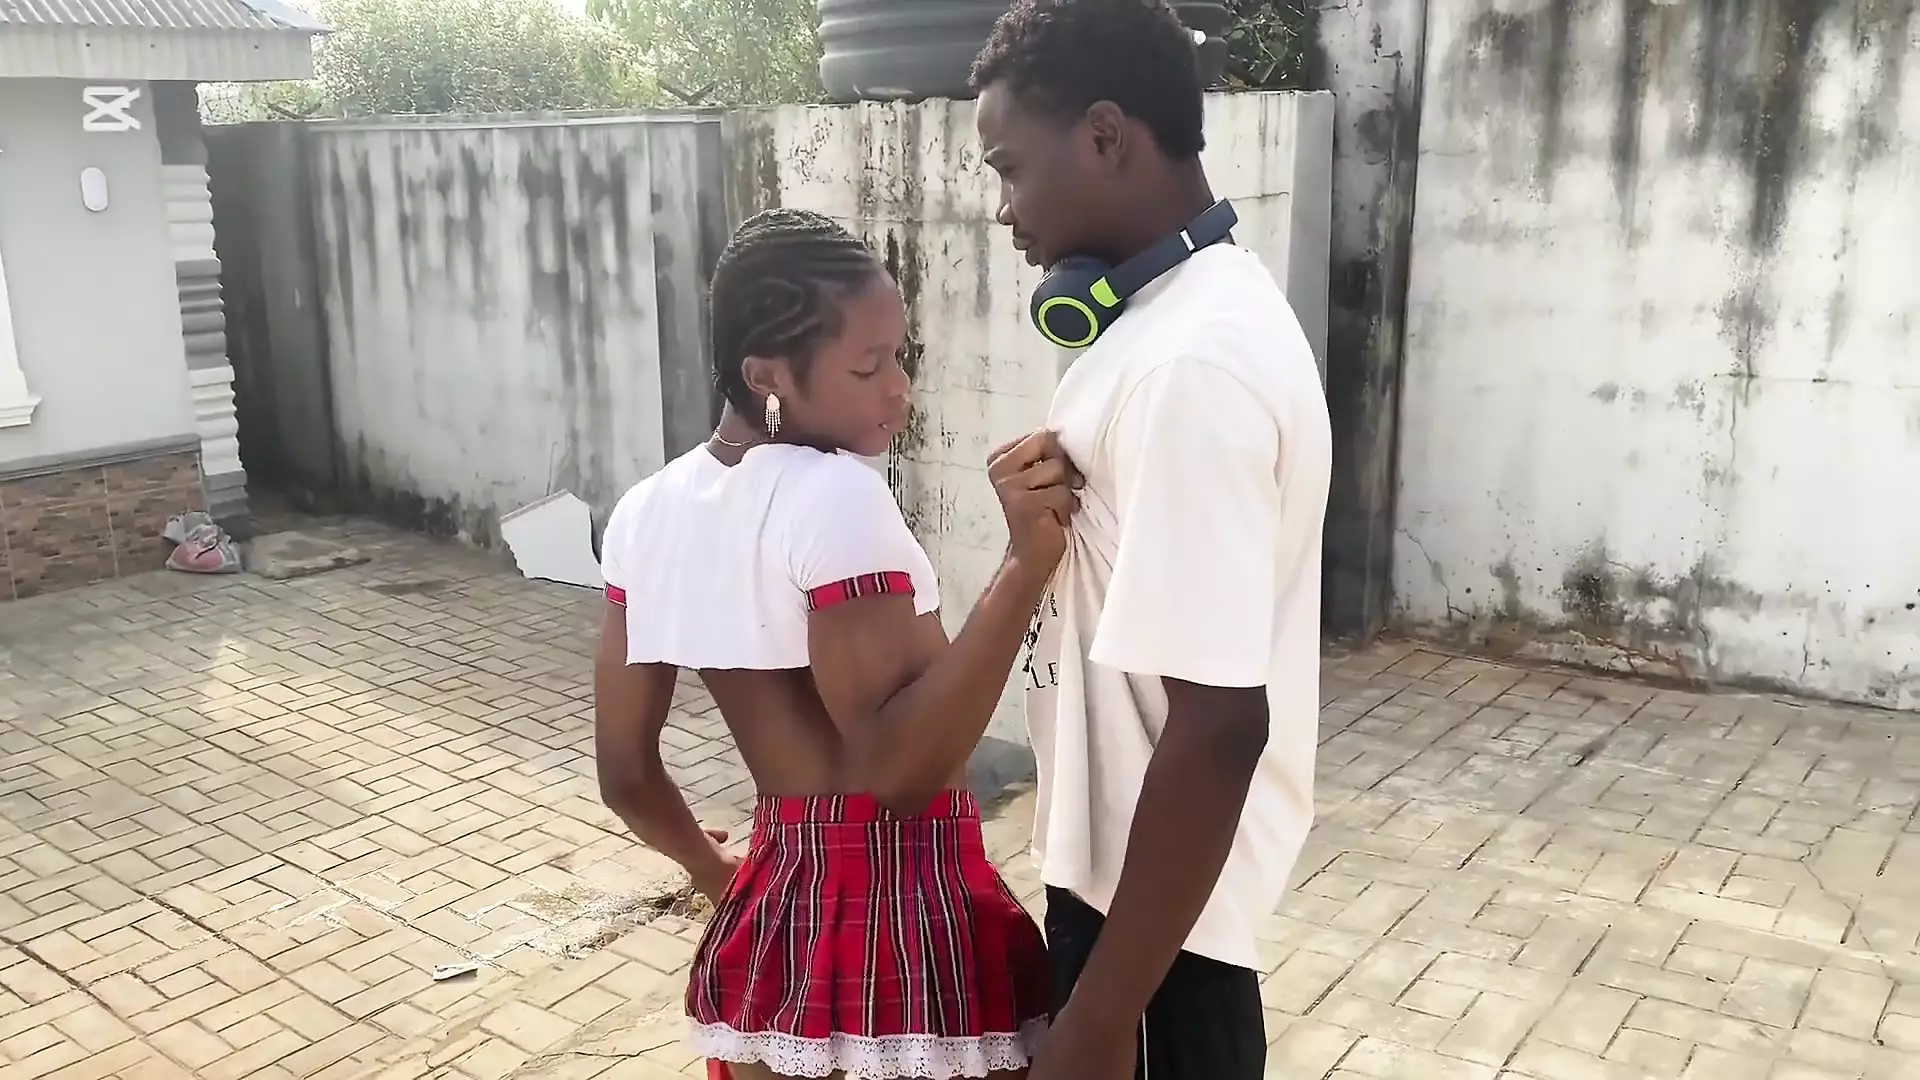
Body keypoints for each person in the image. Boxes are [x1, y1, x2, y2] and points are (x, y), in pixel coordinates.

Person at [594, 207, 1079, 1080]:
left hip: (773, 928)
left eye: (899, 356)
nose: (899, 388)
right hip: (911, 922)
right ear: (767, 376)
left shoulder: (643, 514)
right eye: (868, 366)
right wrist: (1025, 565)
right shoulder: (832, 496)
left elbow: (625, 773)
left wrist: (713, 870)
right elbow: (903, 774)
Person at [970, 0, 1335, 1077]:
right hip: (1134, 901)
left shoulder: (1192, 367)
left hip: (1159, 945)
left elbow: (1220, 725)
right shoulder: (1167, 321)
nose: (1003, 209)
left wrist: (1093, 1031)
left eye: (1010, 169)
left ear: (1104, 135)